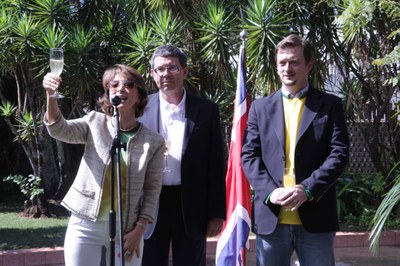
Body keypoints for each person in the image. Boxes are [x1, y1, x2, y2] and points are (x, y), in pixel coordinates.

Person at [241, 34, 350, 266]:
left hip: (316, 217)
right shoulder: (260, 108)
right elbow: (249, 156)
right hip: (272, 218)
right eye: (282, 63)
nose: (287, 68)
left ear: (309, 64)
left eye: (294, 62)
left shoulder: (330, 105)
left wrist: (308, 189)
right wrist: (271, 191)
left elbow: (339, 153)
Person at [42, 64, 165, 266]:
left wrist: (140, 229)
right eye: (114, 85)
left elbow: (152, 190)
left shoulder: (153, 141)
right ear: (108, 93)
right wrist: (51, 95)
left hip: (127, 229)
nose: (120, 89)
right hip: (84, 224)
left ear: (140, 95)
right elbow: (58, 129)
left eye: (129, 84)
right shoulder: (94, 122)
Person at [139, 44, 226, 266]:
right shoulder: (140, 108)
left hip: (191, 204)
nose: (166, 74)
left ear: (185, 72)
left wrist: (217, 212)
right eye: (160, 69)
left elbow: (215, 162)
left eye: (173, 68)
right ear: (152, 74)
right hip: (150, 202)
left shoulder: (206, 110)